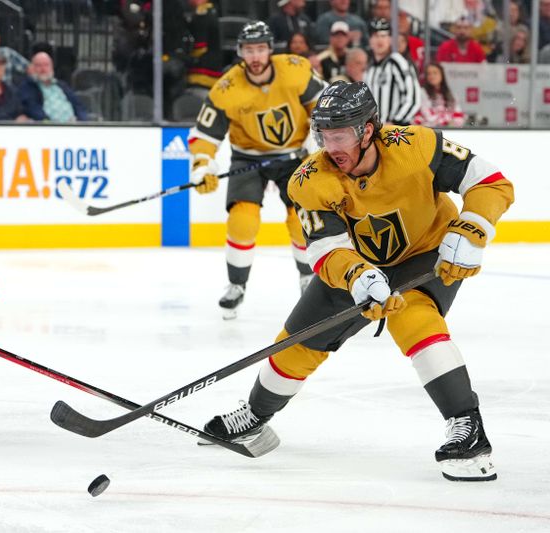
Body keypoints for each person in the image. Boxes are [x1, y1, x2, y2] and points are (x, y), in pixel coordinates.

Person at [203, 80, 514, 482]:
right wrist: (357, 276)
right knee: (298, 339)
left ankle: (468, 431)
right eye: (323, 135)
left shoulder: (416, 146)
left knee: (414, 317)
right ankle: (257, 417)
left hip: (426, 252)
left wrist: (473, 227)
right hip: (358, 264)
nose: (331, 146)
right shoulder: (309, 179)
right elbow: (324, 248)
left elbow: (490, 182)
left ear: (368, 130)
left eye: (341, 135)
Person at [188, 20, 327, 319]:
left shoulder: (295, 69)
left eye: (260, 49)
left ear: (270, 50)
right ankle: (236, 285)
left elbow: (324, 107)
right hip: (248, 158)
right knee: (242, 220)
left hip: (293, 156)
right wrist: (202, 164)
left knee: (300, 217)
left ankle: (308, 277)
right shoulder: (227, 88)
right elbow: (205, 134)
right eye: (249, 50)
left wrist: (327, 144)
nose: (255, 56)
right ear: (240, 52)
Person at [364, 18, 420, 126]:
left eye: (384, 36)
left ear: (390, 39)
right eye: (375, 36)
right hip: (376, 131)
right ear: (370, 40)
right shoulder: (370, 68)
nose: (380, 40)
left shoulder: (398, 62)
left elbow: (413, 99)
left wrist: (395, 123)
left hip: (397, 133)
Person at [18, 51, 87, 122]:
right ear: (32, 68)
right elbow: (33, 108)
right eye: (39, 65)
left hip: (74, 126)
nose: (43, 69)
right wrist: (50, 124)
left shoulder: (62, 85)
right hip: (48, 128)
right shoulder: (28, 87)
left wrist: (81, 122)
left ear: (52, 67)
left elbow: (79, 106)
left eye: (46, 65)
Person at [185, 0, 222, 91]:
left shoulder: (201, 15)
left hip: (200, 76)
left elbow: (200, 48)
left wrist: (184, 57)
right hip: (214, 74)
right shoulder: (213, 10)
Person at [414, 63, 464, 128]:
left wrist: (452, 122)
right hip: (429, 131)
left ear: (442, 75)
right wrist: (446, 120)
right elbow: (428, 117)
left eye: (435, 73)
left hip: (450, 131)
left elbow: (458, 115)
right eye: (429, 74)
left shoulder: (450, 94)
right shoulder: (422, 92)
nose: (432, 76)